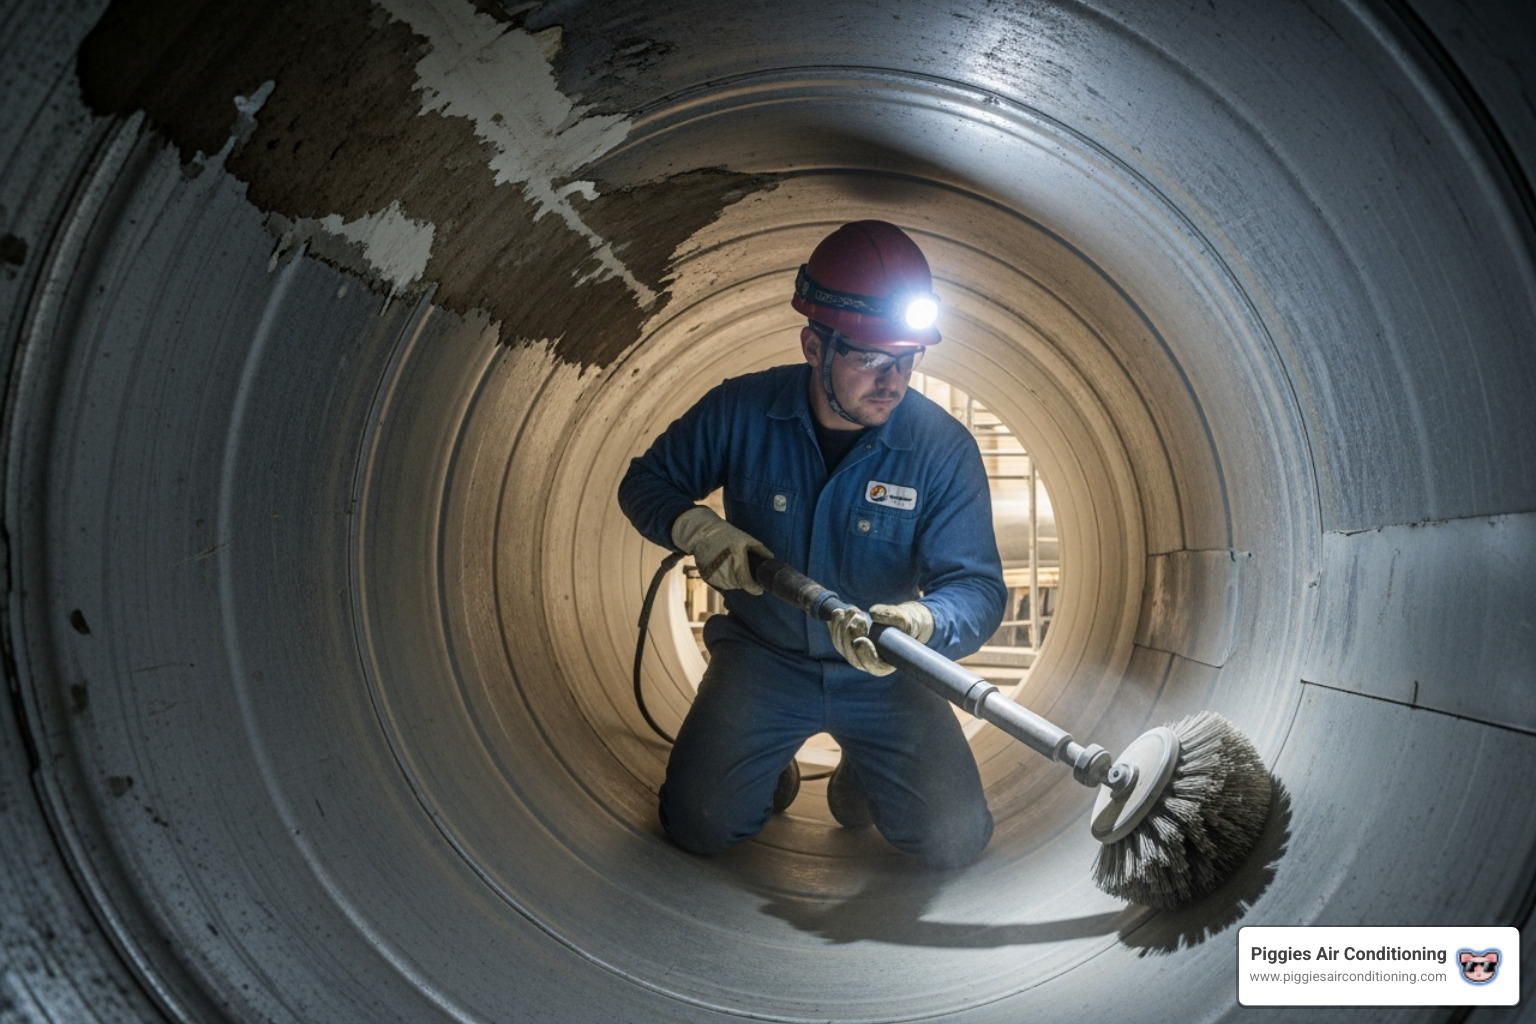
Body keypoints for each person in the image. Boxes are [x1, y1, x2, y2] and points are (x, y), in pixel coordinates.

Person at [618, 220, 1007, 868]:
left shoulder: (941, 449)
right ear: (813, 345)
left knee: (952, 840)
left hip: (886, 671)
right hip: (763, 659)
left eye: (907, 359)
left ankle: (868, 773)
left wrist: (923, 623)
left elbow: (978, 586)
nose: (892, 379)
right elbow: (646, 482)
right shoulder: (741, 411)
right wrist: (696, 528)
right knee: (699, 825)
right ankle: (771, 769)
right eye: (869, 358)